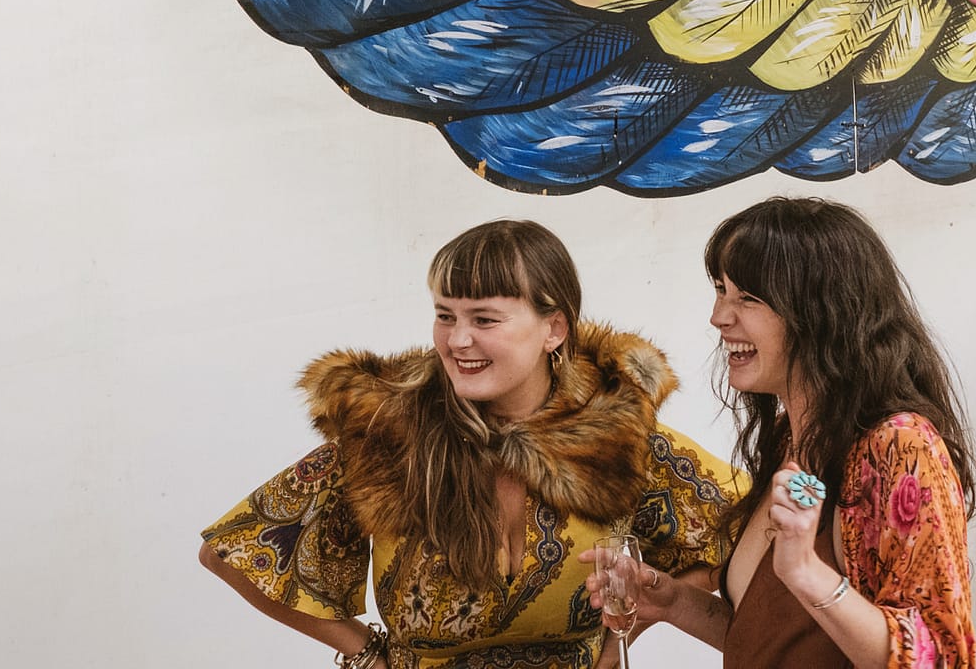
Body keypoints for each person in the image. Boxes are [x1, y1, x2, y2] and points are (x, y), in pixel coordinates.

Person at [199, 219, 738, 669]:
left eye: (484, 318)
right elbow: (234, 552)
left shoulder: (614, 433)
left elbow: (739, 529)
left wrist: (630, 629)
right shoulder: (387, 433)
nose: (458, 340)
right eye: (445, 315)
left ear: (554, 329)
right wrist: (365, 654)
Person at [596, 196, 976, 668]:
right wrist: (673, 603)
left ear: (821, 312)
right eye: (720, 289)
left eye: (748, 298)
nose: (719, 315)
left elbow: (940, 660)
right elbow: (776, 643)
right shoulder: (787, 440)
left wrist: (806, 572)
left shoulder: (899, 447)